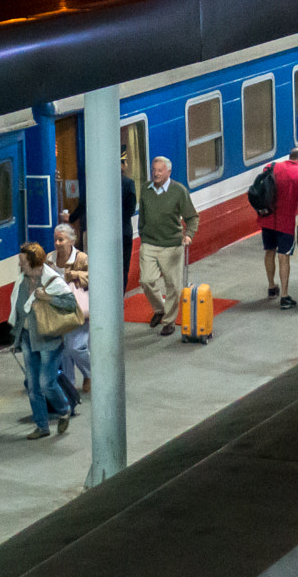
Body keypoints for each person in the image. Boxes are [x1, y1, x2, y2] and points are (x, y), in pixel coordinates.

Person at [10, 241, 77, 438]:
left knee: (46, 382)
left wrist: (49, 298)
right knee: (33, 386)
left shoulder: (53, 281)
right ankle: (42, 426)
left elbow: (71, 304)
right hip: (28, 338)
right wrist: (15, 340)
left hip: (49, 340)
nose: (20, 264)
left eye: (22, 261)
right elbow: (20, 311)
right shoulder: (22, 281)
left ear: (32, 262)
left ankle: (64, 409)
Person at [138, 155, 198, 337]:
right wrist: (143, 234)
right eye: (153, 170)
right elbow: (142, 216)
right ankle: (160, 309)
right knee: (146, 281)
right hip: (149, 243)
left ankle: (169, 321)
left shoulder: (179, 191)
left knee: (173, 286)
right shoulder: (145, 190)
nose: (155, 174)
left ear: (168, 172)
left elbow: (192, 217)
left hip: (172, 245)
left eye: (159, 171)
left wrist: (188, 235)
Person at [67, 158, 136, 288]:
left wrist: (70, 218)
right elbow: (130, 210)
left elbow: (85, 205)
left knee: (105, 267)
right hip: (122, 233)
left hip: (105, 234)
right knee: (122, 268)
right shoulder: (128, 183)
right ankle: (118, 299)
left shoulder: (98, 184)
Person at [259, 148, 298, 307]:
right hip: (285, 222)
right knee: (284, 257)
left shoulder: (271, 167)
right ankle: (284, 296)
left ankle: (271, 287)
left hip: (267, 219)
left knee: (269, 251)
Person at [51, 223, 91, 398]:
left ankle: (91, 373)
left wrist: (72, 275)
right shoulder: (50, 259)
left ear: (71, 240)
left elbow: (92, 277)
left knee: (75, 347)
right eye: (55, 240)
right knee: (65, 349)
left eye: (61, 239)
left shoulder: (81, 258)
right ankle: (69, 386)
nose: (57, 243)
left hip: (78, 309)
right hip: (58, 311)